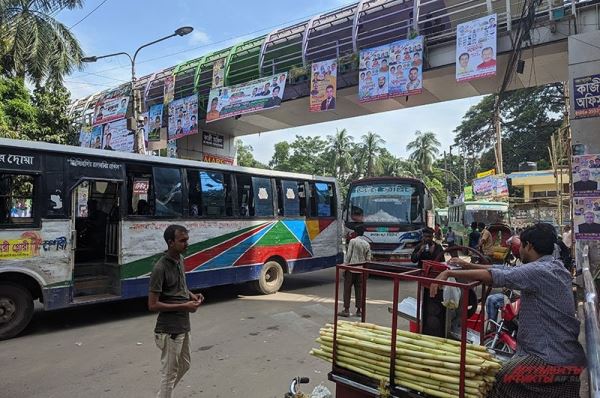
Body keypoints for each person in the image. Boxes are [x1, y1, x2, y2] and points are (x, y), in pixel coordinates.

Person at [431, 223, 586, 397]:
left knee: (500, 380)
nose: (518, 251)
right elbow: (504, 270)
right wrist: (466, 266)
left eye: (521, 247)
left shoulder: (538, 271)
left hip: (548, 360)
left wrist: (450, 274)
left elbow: (497, 276)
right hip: (568, 358)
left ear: (529, 246)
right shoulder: (554, 266)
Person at [148, 225, 204, 398]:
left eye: (187, 240)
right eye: (183, 241)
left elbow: (180, 288)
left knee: (185, 365)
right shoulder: (160, 268)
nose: (187, 244)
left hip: (183, 325)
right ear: (170, 243)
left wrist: (192, 296)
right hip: (169, 330)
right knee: (169, 374)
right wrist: (184, 306)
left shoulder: (180, 259)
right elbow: (153, 305)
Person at [338, 225, 371, 318]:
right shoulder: (366, 244)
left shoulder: (353, 241)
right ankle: (359, 310)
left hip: (351, 269)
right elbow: (368, 259)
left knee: (347, 290)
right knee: (359, 290)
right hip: (361, 270)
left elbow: (348, 256)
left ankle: (346, 309)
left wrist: (345, 268)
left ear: (355, 233)